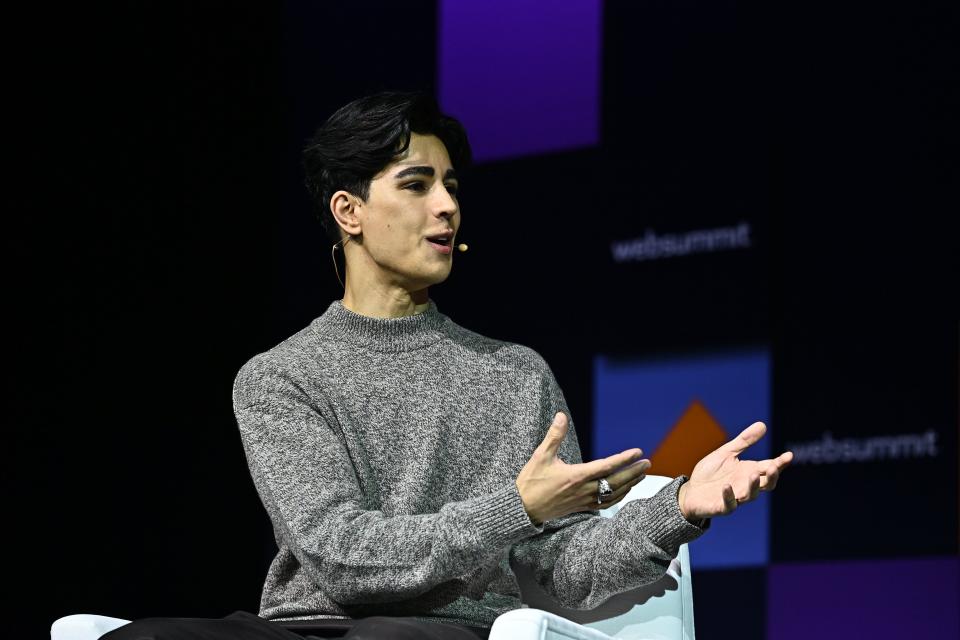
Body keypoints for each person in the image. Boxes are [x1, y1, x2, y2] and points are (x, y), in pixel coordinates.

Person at [102, 91, 793, 640]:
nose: (448, 207)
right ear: (350, 211)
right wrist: (512, 508)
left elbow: (564, 567)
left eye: (453, 187)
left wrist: (678, 507)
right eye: (417, 184)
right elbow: (341, 556)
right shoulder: (280, 377)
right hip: (308, 627)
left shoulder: (514, 374)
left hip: (444, 633)